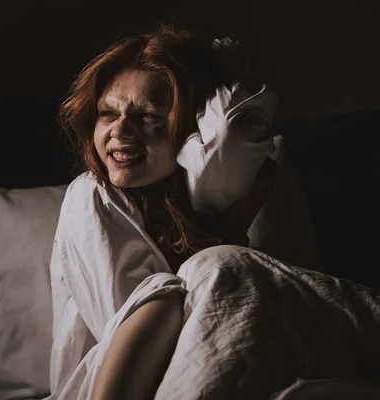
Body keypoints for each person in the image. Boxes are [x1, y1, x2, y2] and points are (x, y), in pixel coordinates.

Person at [46, 22, 380, 400]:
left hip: (243, 367)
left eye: (149, 117)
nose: (121, 131)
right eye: (108, 114)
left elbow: (276, 310)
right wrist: (231, 233)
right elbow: (144, 339)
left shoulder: (235, 184)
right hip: (120, 380)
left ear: (190, 131)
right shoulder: (92, 196)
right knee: (200, 273)